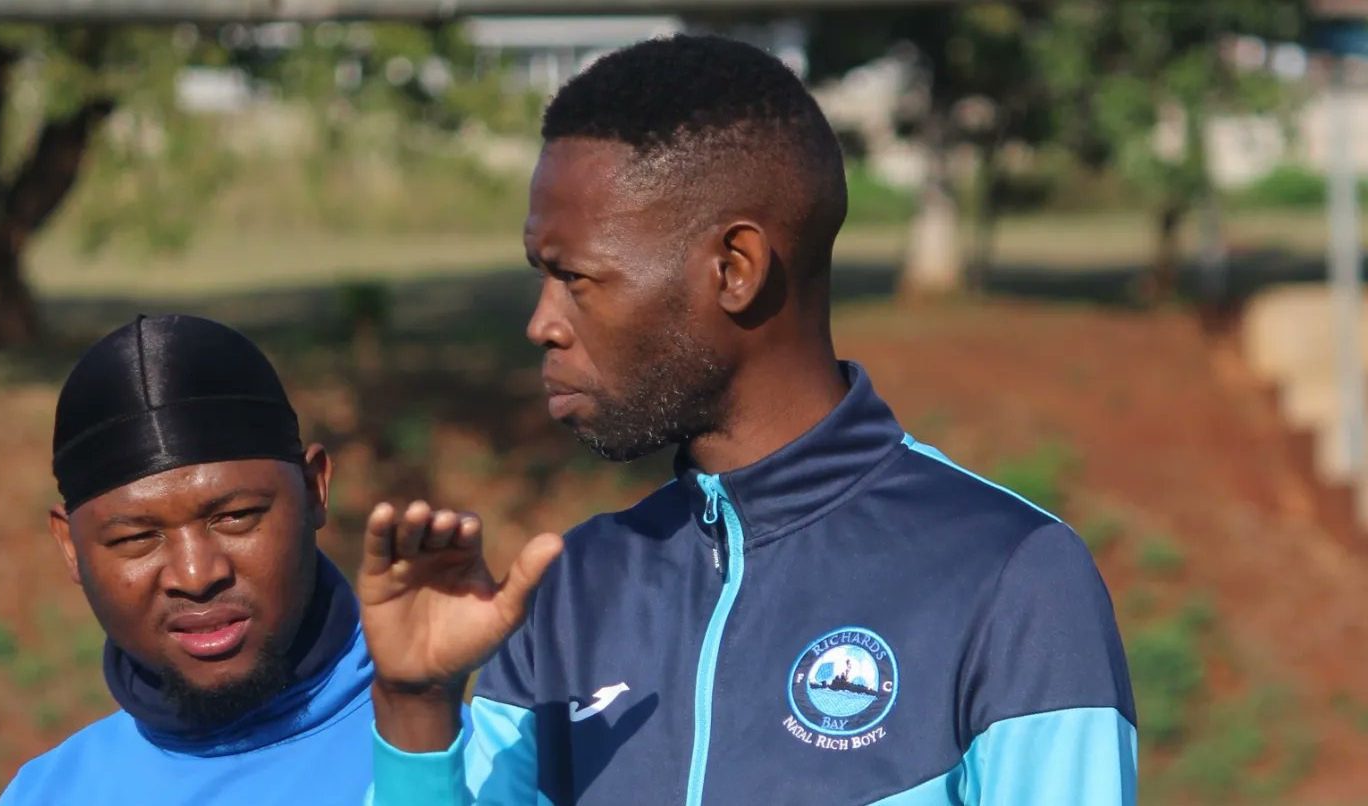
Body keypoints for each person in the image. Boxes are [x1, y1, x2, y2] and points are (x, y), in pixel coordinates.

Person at [359, 35, 1136, 805]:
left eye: (576, 277)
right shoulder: (566, 595)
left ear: (735, 269)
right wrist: (416, 709)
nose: (542, 323)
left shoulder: (1013, 576)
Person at [0, 314, 376, 804]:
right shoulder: (48, 792)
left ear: (312, 490)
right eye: (137, 538)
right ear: (71, 546)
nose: (197, 576)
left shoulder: (457, 761)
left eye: (237, 516)